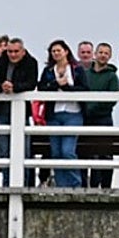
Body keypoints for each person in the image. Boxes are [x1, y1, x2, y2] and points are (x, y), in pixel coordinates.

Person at [38, 38, 88, 189]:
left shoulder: (77, 69)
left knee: (67, 151)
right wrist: (55, 84)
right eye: (53, 51)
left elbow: (85, 89)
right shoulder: (48, 71)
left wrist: (66, 88)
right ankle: (61, 185)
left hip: (73, 113)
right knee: (56, 152)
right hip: (54, 114)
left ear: (66, 51)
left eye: (58, 50)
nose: (56, 53)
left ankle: (75, 184)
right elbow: (41, 88)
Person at [0, 37, 38, 186]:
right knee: (5, 152)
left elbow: (31, 84)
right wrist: (1, 86)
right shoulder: (2, 61)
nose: (13, 54)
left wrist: (14, 87)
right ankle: (6, 184)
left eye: (16, 51)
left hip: (22, 112)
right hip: (1, 111)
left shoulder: (31, 62)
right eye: (10, 51)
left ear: (23, 51)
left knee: (23, 151)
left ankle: (25, 184)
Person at [83, 42, 119, 188]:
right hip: (86, 119)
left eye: (106, 53)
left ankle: (105, 187)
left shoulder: (112, 77)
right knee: (85, 152)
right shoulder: (86, 74)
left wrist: (92, 108)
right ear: (95, 54)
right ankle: (86, 186)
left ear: (110, 56)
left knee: (105, 153)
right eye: (101, 52)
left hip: (103, 119)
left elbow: (111, 100)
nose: (103, 55)